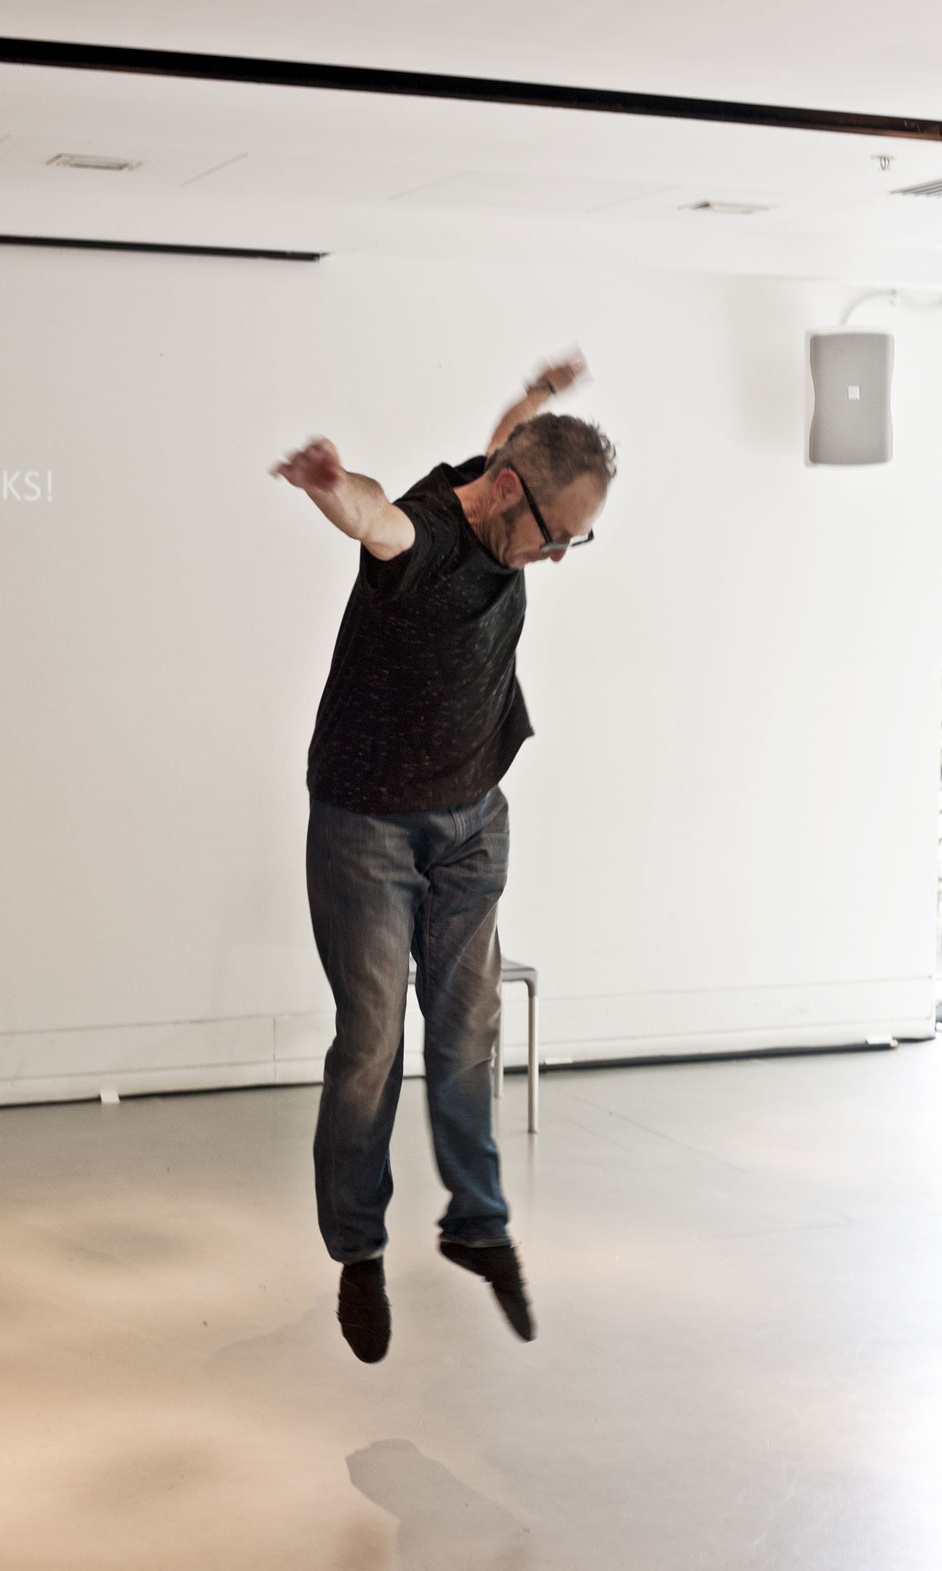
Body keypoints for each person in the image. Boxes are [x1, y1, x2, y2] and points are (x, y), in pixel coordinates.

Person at [273, 355, 616, 1363]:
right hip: (369, 828)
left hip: (473, 816)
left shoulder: (509, 469)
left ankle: (477, 1223)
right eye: (555, 536)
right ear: (507, 492)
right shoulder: (422, 539)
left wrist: (541, 394)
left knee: (468, 1027)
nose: (557, 556)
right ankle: (359, 1249)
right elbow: (375, 517)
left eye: (576, 538)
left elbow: (512, 426)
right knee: (373, 1041)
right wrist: (331, 486)